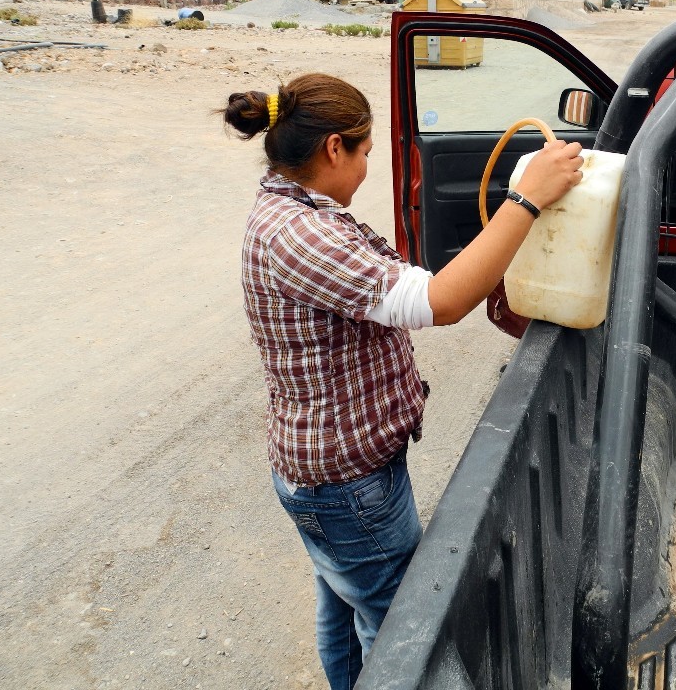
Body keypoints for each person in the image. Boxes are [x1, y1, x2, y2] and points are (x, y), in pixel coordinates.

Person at [222, 73, 583, 689]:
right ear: (334, 147)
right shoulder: (301, 236)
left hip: (327, 476)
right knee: (405, 639)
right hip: (346, 485)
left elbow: (393, 288)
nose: (367, 167)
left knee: (345, 604)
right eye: (364, 152)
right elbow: (439, 302)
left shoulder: (295, 209)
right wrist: (524, 200)